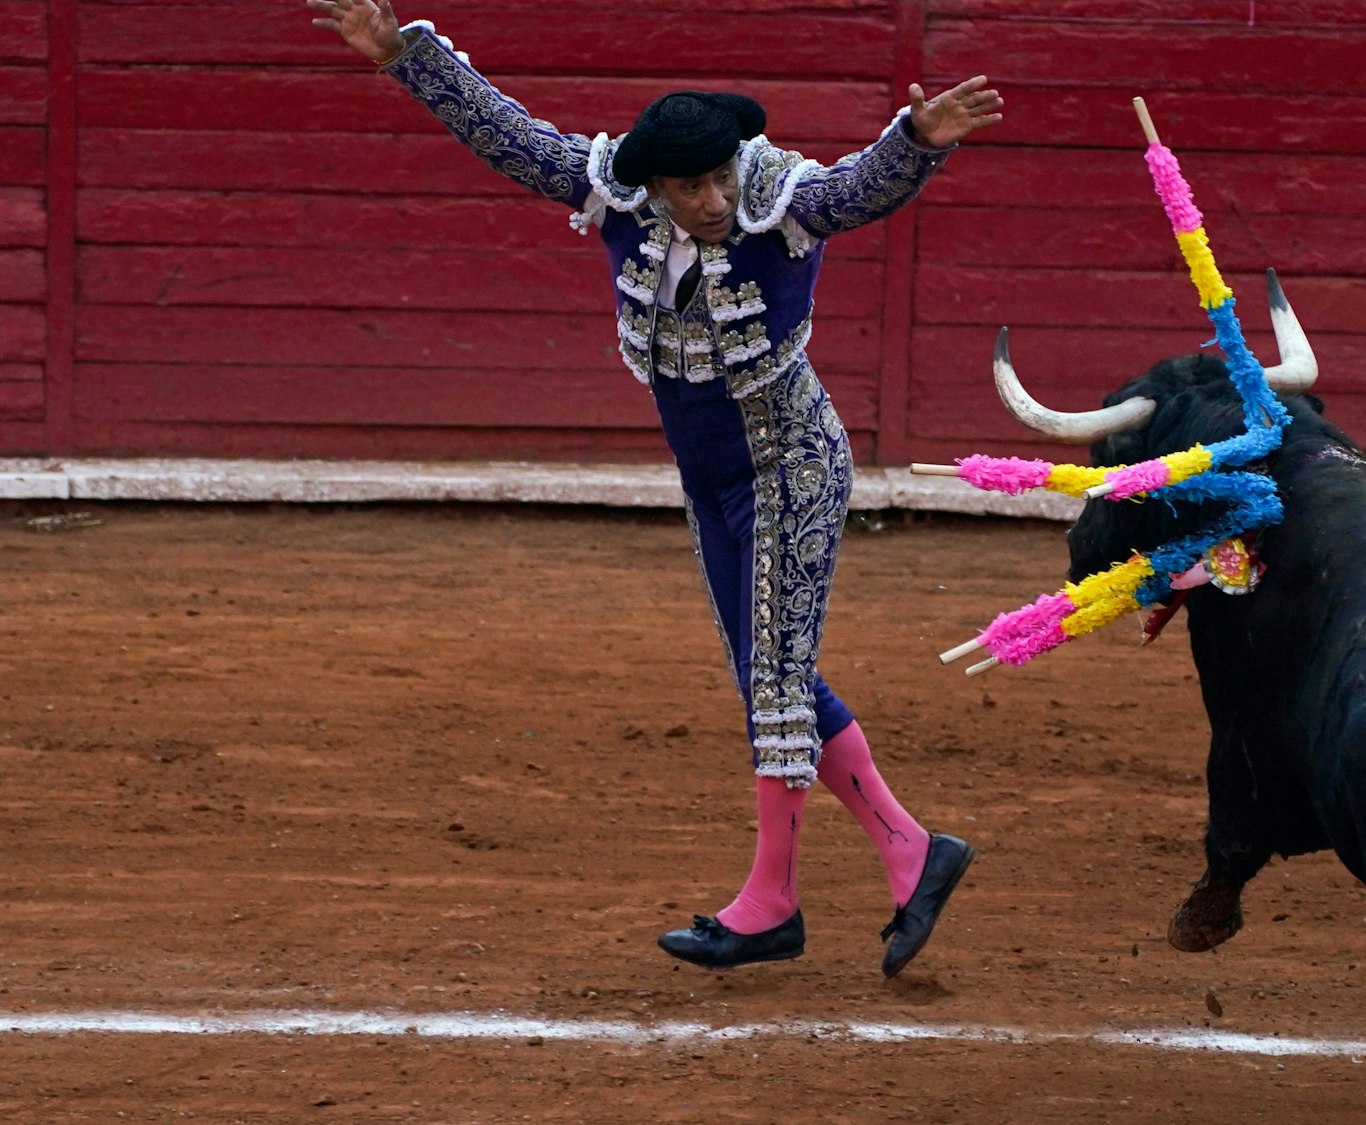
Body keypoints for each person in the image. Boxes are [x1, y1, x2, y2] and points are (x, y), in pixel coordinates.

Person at [306, 0, 999, 974]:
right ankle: (911, 850)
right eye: (689, 186)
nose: (712, 200)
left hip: (791, 466)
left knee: (774, 682)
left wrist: (916, 143)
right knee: (769, 676)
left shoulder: (776, 198)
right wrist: (402, 56)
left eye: (719, 178)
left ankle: (772, 903)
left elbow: (853, 191)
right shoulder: (620, 200)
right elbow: (509, 138)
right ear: (654, 186)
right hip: (710, 479)